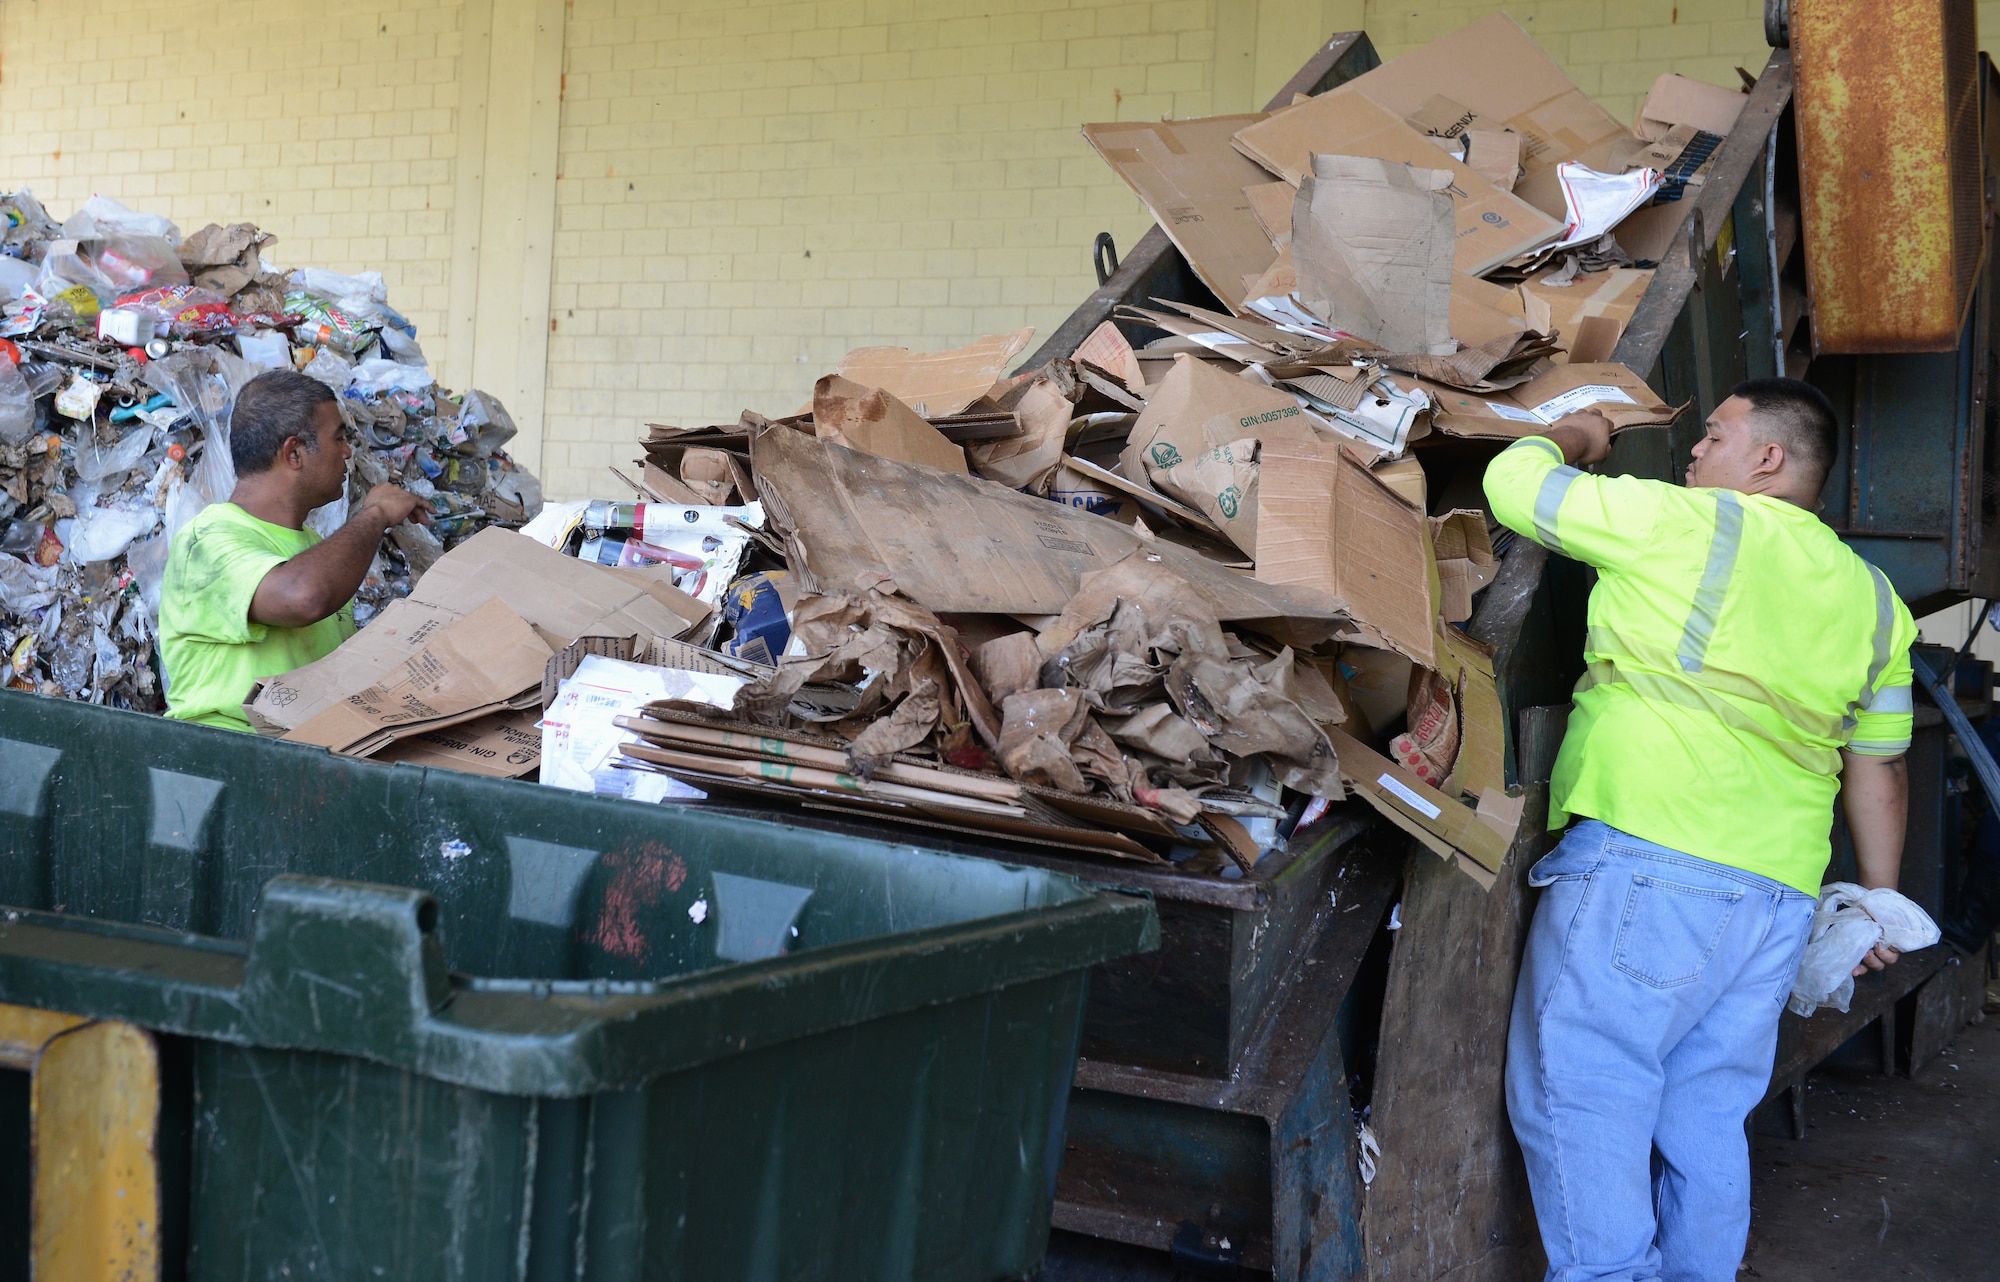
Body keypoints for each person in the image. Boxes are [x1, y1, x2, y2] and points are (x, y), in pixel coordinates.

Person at [1483, 377, 1914, 1282]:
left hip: (1650, 860)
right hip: (1775, 900)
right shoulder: (1878, 602)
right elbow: (1880, 765)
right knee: (1706, 1118)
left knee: (1583, 1097)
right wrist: (1875, 900)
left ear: (1768, 460)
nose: (1692, 453)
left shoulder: (1688, 522)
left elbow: (1513, 486)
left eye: (1712, 437)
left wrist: (1574, 432)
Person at [159, 370, 428, 732]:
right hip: (224, 764)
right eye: (338, 439)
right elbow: (302, 596)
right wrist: (376, 514)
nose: (347, 453)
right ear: (294, 453)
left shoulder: (315, 550)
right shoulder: (207, 540)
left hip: (301, 763)